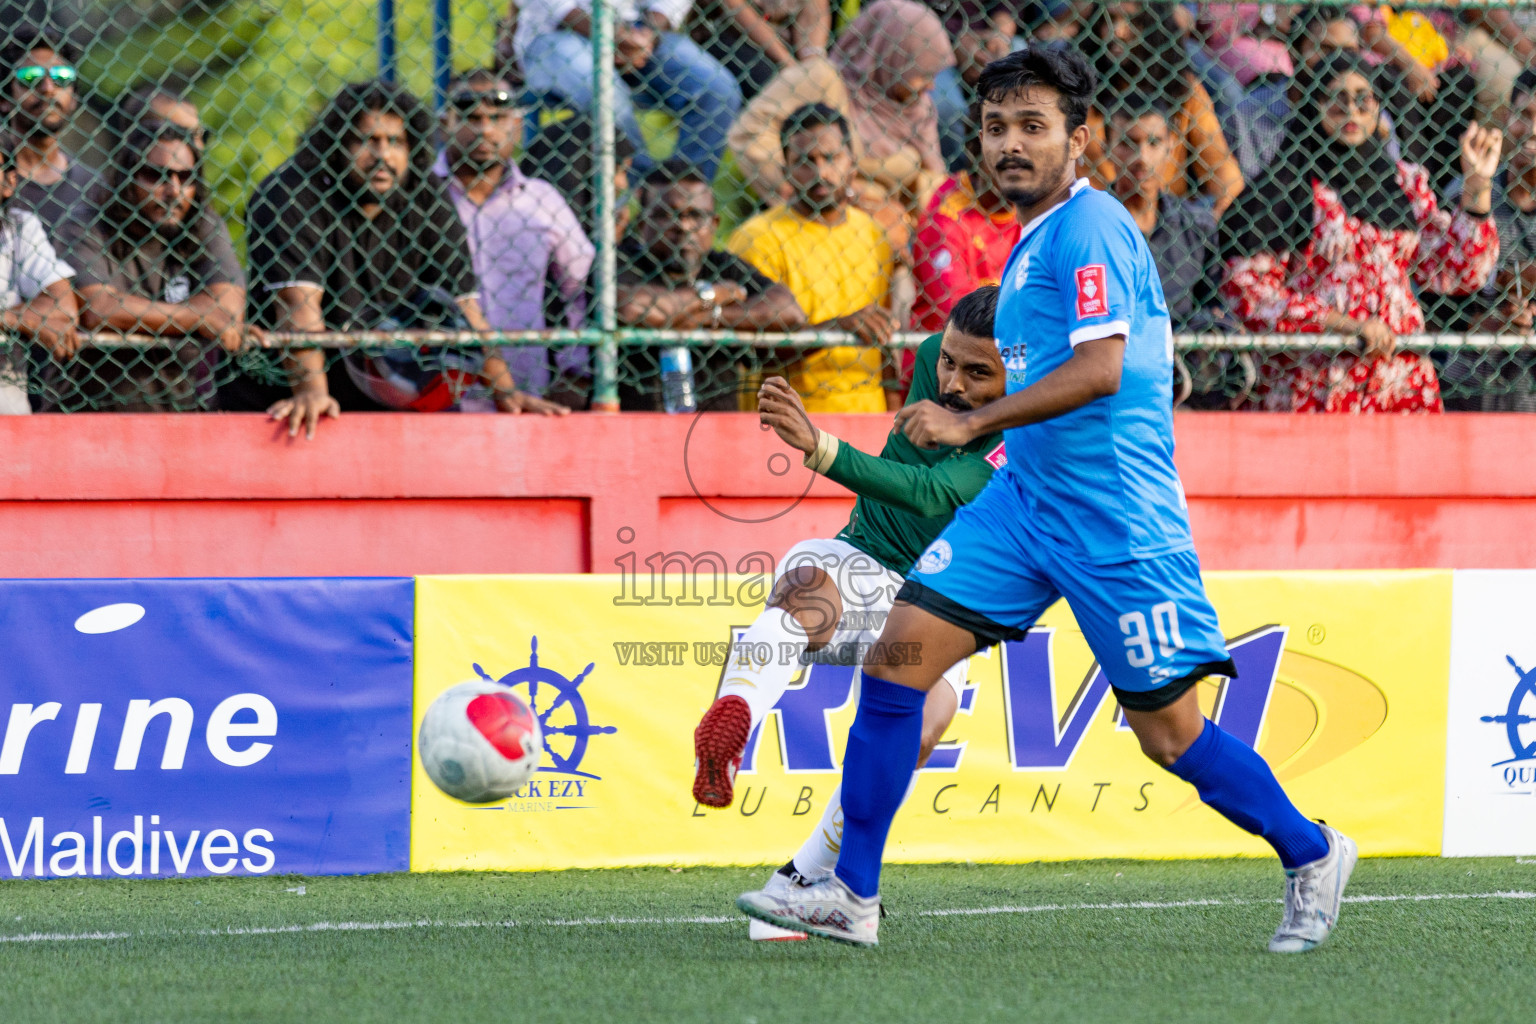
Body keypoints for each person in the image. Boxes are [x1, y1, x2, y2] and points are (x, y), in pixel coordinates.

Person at [738, 46, 1358, 954]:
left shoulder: (1093, 227)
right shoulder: (1031, 242)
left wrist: (968, 420)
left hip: (1116, 520)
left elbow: (1103, 369)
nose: (1012, 144)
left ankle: (1311, 852)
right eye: (996, 128)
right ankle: (850, 894)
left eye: (1034, 127)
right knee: (898, 664)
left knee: (1171, 737)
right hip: (1025, 504)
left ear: (1080, 138)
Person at [692, 286, 1007, 939]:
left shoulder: (1024, 443)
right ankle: (733, 718)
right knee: (806, 601)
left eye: (976, 372)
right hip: (865, 557)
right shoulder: (937, 357)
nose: (949, 380)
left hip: (937, 602)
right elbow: (914, 469)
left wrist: (819, 445)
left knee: (923, 728)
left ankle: (802, 880)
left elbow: (929, 492)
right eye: (947, 360)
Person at [242, 80, 566, 438]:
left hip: (388, 396)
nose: (383, 155)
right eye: (367, 141)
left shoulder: (423, 196)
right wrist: (312, 394)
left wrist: (506, 394)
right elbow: (297, 306)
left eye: (395, 142)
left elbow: (467, 310)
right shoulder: (291, 193)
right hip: (281, 400)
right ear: (335, 146)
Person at [1220, 54, 1501, 413]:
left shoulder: (1403, 184)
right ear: (1313, 105)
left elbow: (1459, 271)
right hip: (1317, 385)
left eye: (1362, 98)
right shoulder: (1285, 188)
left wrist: (1477, 185)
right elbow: (1249, 294)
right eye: (1336, 98)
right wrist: (1343, 326)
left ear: (1377, 109)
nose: (1350, 110)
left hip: (1400, 381)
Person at [49, 122, 255, 411]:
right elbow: (100, 309)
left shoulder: (202, 224)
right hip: (91, 411)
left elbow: (228, 308)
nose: (173, 190)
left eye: (186, 177)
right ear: (127, 176)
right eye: (155, 175)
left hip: (181, 410)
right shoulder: (85, 224)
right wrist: (198, 316)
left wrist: (142, 315)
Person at [727, 0, 955, 251]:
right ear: (889, 58)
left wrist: (909, 215)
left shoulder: (918, 108)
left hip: (892, 236)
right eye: (920, 72)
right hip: (819, 225)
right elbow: (750, 133)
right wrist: (839, 192)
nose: (931, 86)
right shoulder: (822, 80)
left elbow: (933, 178)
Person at [437, 71, 594, 406]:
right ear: (443, 123)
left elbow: (581, 290)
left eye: (497, 118)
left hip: (529, 396)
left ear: (518, 126)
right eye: (470, 118)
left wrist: (575, 372)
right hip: (437, 394)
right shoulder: (418, 196)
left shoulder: (541, 200)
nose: (485, 129)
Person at [728, 102, 896, 412]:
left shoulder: (874, 235)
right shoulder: (757, 238)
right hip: (787, 419)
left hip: (868, 413)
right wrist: (839, 328)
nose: (820, 173)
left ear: (852, 163)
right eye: (805, 161)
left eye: (831, 158)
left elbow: (885, 343)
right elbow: (749, 352)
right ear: (785, 171)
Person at [615, 159, 804, 410]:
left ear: (714, 224)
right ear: (642, 225)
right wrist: (711, 294)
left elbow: (789, 310)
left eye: (695, 215)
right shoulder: (624, 261)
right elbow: (631, 308)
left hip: (717, 427)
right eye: (665, 215)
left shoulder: (722, 265)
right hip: (638, 426)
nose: (682, 227)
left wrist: (711, 316)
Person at [512, 0, 741, 180]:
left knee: (718, 90)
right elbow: (555, 7)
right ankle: (646, 194)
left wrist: (645, 35)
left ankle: (683, 193)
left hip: (636, 31)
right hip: (557, 35)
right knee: (605, 95)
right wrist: (612, 37)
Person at [1081, 2, 1245, 216]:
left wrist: (1212, 225)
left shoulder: (1185, 91)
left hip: (1166, 225)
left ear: (1155, 27)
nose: (1117, 32)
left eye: (1132, 21)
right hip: (1095, 220)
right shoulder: (1081, 91)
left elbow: (1223, 171)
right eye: (1109, 20)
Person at [1439, 70, 1536, 410]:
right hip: (1471, 379)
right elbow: (1436, 300)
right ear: (1508, 119)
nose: (1533, 130)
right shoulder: (1471, 191)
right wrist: (1487, 322)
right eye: (1525, 115)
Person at [1105, 97, 1226, 333]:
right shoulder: (1090, 226)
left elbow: (1212, 306)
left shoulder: (1196, 227)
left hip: (1179, 363)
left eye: (1153, 142)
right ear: (1106, 147)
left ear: (1171, 145)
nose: (1141, 157)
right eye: (1127, 143)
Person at [911, 101, 1019, 332]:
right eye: (1003, 160)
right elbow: (959, 313)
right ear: (974, 153)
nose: (1015, 170)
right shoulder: (946, 217)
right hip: (947, 353)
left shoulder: (1033, 207)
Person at [0, 129, 76, 414]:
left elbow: (62, 308)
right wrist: (25, 318)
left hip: (7, 414)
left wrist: (6, 318)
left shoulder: (18, 228)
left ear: (9, 182)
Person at [1, 25, 94, 237]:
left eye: (62, 76)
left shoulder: (95, 188)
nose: (48, 88)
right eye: (30, 77)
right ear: (4, 100)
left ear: (74, 98)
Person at [687, 0, 831, 100]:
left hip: (784, 39)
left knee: (822, 92)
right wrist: (789, 64)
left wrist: (812, 68)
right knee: (777, 88)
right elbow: (735, 6)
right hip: (728, 33)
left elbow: (814, 13)